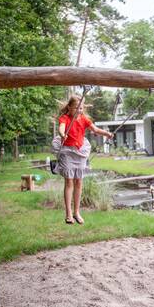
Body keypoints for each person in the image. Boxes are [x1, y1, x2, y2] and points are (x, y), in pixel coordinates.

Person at [56, 94, 113, 225]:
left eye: (81, 108)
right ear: (69, 107)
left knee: (79, 182)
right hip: (68, 151)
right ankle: (68, 213)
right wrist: (62, 134)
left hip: (80, 152)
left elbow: (95, 129)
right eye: (76, 108)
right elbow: (61, 128)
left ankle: (77, 212)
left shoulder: (84, 119)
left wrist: (107, 134)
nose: (79, 110)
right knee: (69, 182)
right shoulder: (64, 118)